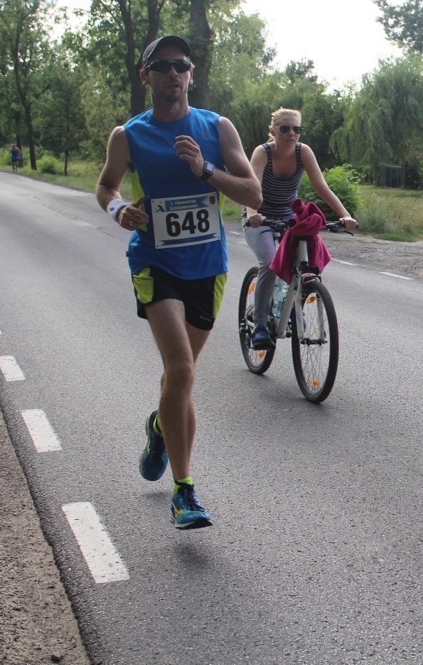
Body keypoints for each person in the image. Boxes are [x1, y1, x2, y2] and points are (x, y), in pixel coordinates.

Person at [95, 35, 262, 529]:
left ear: (191, 74)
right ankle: (183, 492)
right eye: (162, 66)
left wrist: (205, 169)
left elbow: (252, 192)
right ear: (145, 76)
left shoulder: (217, 127)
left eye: (181, 65)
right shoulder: (128, 135)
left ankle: (158, 426)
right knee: (182, 370)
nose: (173, 73)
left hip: (207, 265)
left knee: (178, 380)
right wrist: (118, 208)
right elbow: (106, 185)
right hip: (154, 262)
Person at [243, 107, 356, 350]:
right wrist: (253, 215)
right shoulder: (262, 153)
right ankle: (260, 326)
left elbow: (321, 187)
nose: (291, 133)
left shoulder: (303, 152)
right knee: (269, 262)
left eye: (296, 129)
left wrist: (344, 215)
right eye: (284, 128)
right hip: (260, 216)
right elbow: (252, 188)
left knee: (305, 266)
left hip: (289, 216)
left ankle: (294, 309)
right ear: (273, 130)